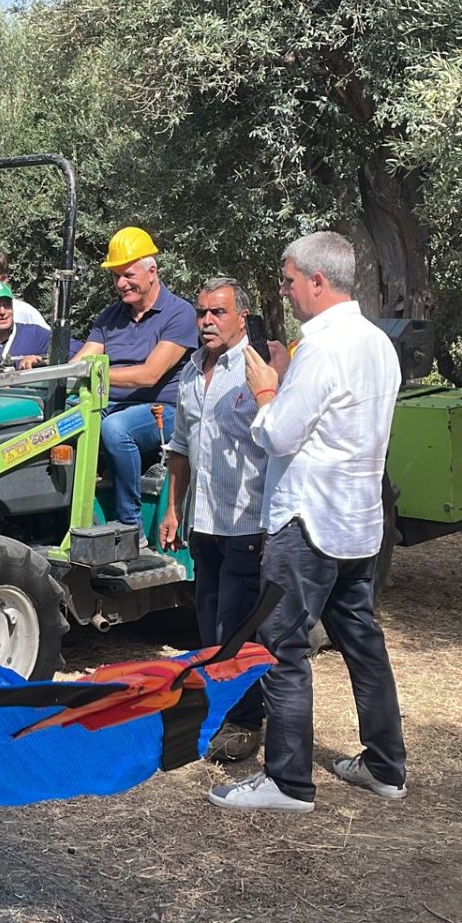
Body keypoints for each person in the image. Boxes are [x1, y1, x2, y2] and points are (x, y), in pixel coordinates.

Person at [208, 231, 406, 813]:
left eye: (289, 280)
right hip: (357, 520)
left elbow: (277, 435)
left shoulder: (320, 349)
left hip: (306, 520)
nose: (284, 291)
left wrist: (266, 391)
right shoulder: (377, 344)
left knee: (282, 645)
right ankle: (384, 764)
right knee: (362, 642)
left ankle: (289, 781)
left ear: (318, 281)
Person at [157, 278, 270, 762]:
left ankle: (248, 721)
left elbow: (277, 443)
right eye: (202, 312)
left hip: (246, 519)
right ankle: (219, 710)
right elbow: (180, 447)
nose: (207, 321)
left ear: (241, 318)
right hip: (203, 521)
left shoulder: (255, 372)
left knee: (237, 626)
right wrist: (173, 507)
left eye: (218, 313)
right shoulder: (189, 373)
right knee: (206, 621)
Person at [71, 226, 198, 526]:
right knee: (58, 419)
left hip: (163, 412)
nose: (121, 283)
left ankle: (130, 525)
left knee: (117, 429)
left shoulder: (179, 314)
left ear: (152, 271)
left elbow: (149, 375)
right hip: (109, 404)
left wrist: (96, 374)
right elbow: (82, 361)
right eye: (116, 277)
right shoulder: (109, 317)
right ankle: (73, 511)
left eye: (128, 275)